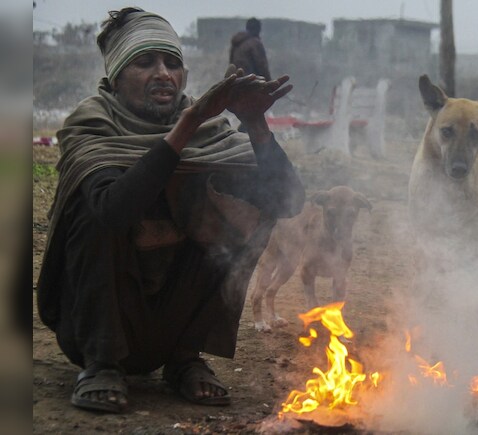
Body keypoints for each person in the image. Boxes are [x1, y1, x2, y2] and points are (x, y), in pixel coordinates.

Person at [35, 8, 305, 413]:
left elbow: (285, 203)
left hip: (168, 324)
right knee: (92, 210)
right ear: (116, 76)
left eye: (172, 63)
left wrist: (255, 124)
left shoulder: (209, 131)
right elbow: (113, 212)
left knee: (247, 210)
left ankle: (185, 357)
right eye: (145, 62)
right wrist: (187, 123)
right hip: (95, 326)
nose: (163, 73)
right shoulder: (92, 123)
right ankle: (102, 364)